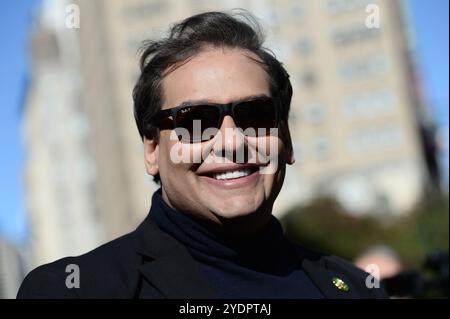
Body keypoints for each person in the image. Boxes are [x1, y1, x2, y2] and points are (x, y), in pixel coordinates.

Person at [17, 11, 387, 299]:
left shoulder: (355, 287)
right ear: (151, 150)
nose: (231, 141)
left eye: (254, 115)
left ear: (285, 139)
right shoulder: (78, 290)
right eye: (195, 120)